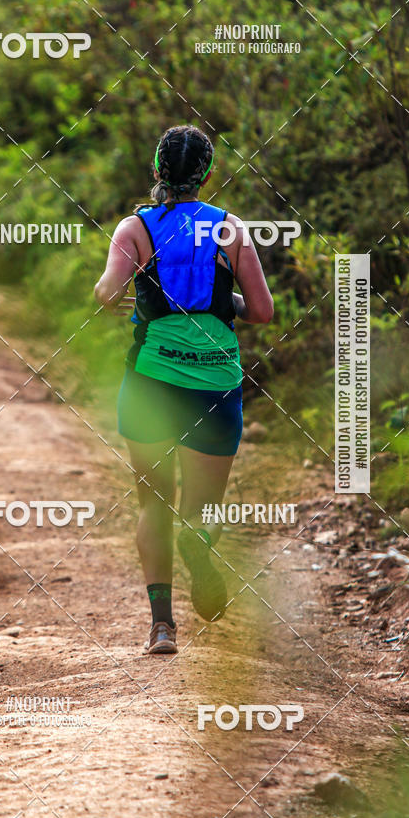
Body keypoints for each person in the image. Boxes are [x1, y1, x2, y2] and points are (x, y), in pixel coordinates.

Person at [95, 124, 273, 654]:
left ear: (156, 172)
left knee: (153, 503)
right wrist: (226, 305)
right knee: (203, 507)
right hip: (215, 384)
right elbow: (263, 311)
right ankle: (199, 547)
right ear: (207, 175)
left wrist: (137, 291)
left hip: (151, 379)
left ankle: (161, 626)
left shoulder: (134, 228)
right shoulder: (230, 230)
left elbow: (106, 293)